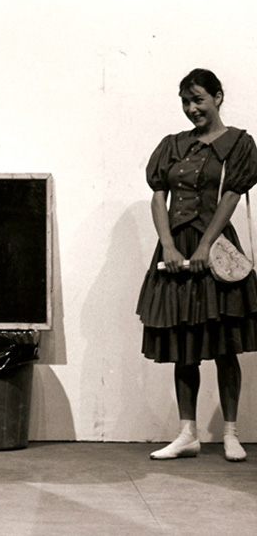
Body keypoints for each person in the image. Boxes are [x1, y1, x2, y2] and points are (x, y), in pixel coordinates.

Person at [137, 69, 257, 462]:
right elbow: (159, 197)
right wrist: (168, 246)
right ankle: (187, 433)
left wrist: (206, 244)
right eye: (186, 102)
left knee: (224, 344)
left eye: (199, 100)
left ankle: (230, 433)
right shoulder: (172, 145)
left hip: (215, 247)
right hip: (176, 251)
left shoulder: (239, 143)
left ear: (218, 97)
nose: (192, 109)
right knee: (183, 343)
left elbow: (231, 196)